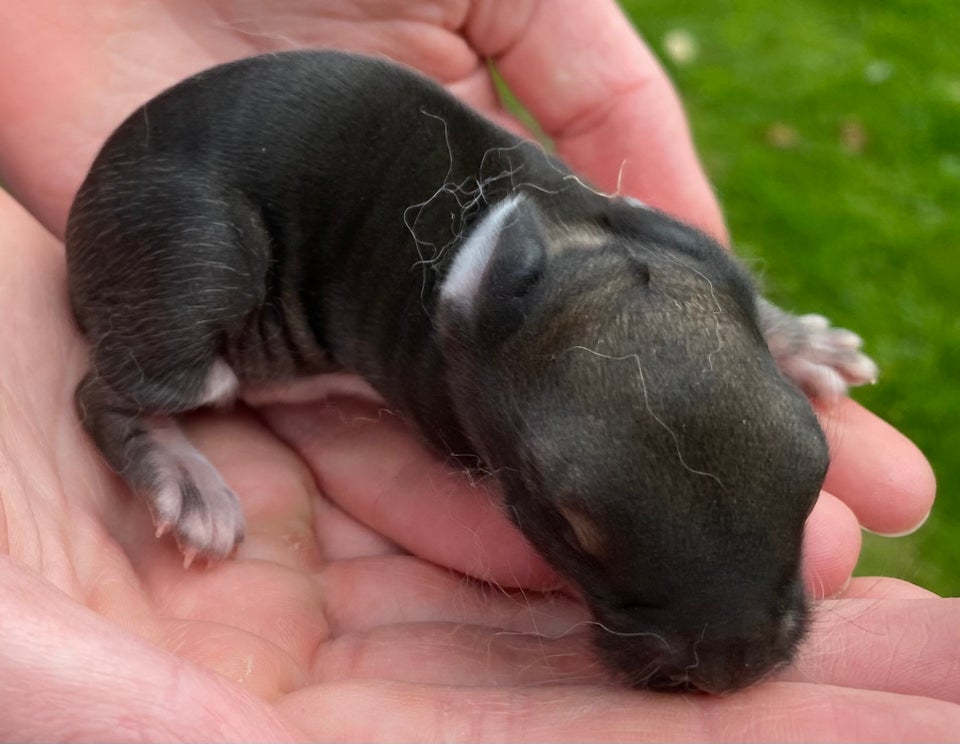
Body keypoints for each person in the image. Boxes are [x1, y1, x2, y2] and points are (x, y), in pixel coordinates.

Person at [0, 1, 955, 740]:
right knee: (184, 351)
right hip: (196, 198)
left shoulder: (671, 272)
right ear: (467, 330)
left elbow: (683, 259)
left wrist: (772, 332)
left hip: (307, 137)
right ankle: (128, 412)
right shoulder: (474, 339)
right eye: (587, 529)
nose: (737, 648)